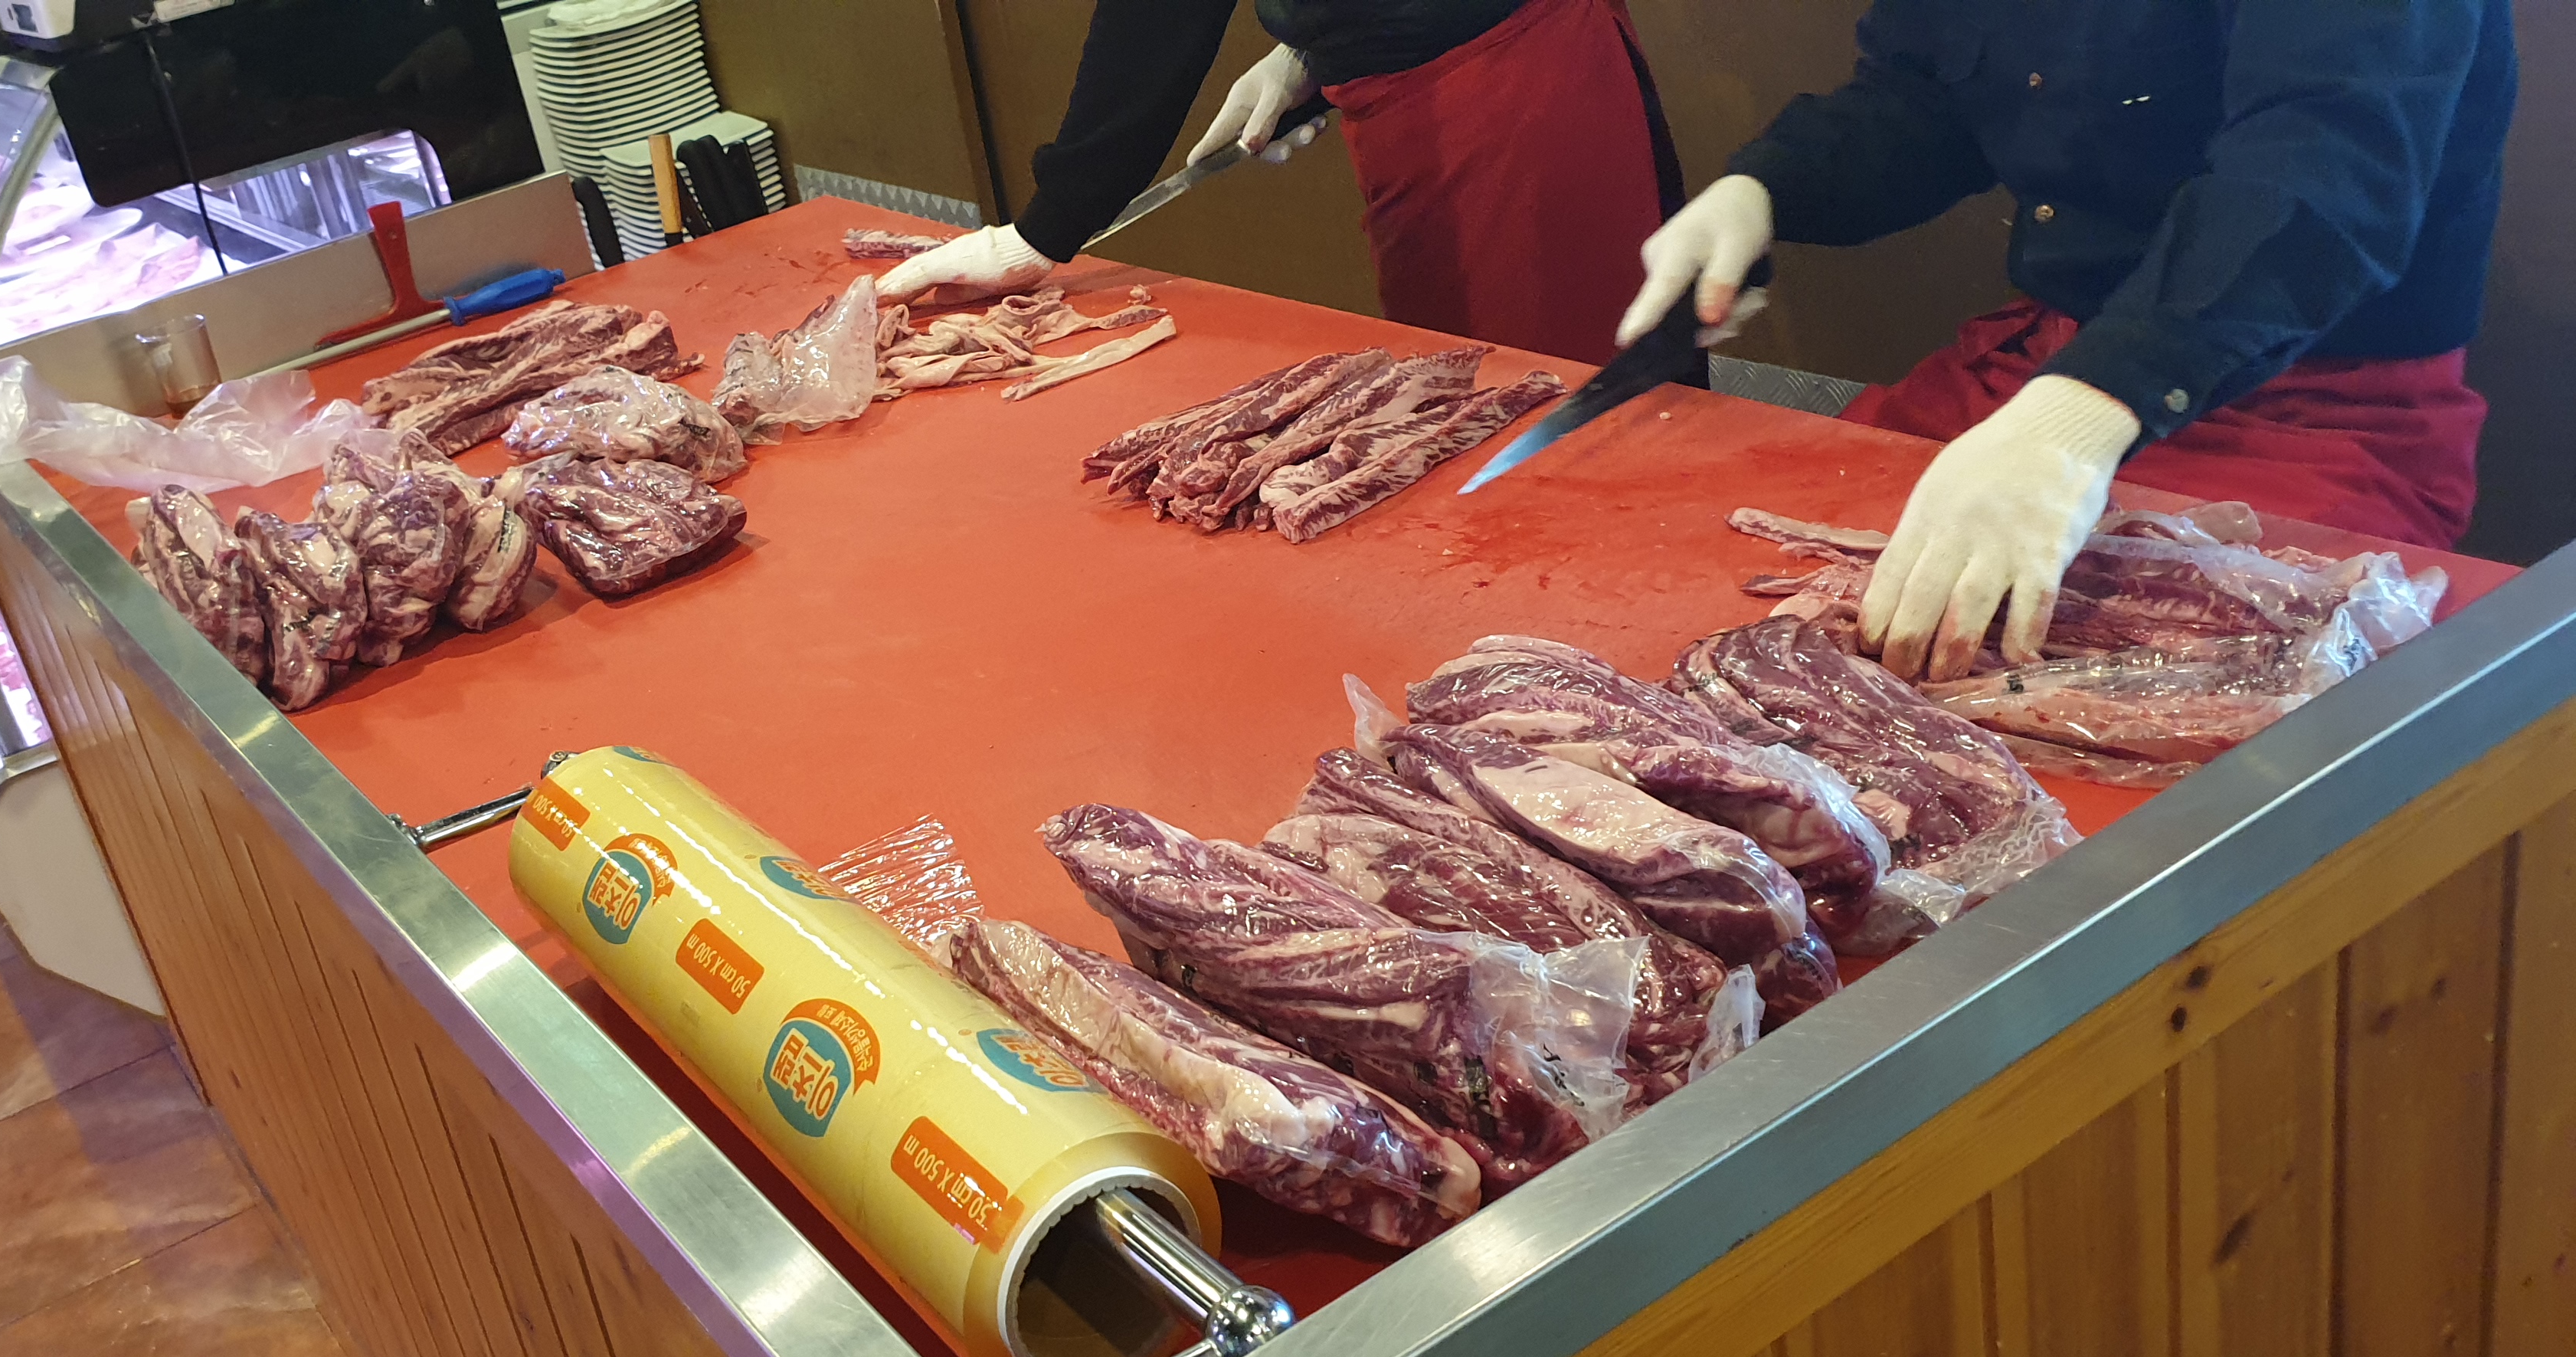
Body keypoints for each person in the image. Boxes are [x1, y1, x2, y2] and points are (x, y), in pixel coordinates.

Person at [1618, 0, 2515, 682]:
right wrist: (1765, 190)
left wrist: (2080, 418)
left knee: (2141, 702)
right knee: (1751, 610)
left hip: (2316, 409)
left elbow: (2320, 174)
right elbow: (1924, 97)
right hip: (2042, 369)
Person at [876, 0, 1683, 367]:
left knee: (1560, 433)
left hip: (1521, 85)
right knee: (1468, 406)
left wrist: (1046, 228)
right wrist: (1319, 39)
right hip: (1409, 104)